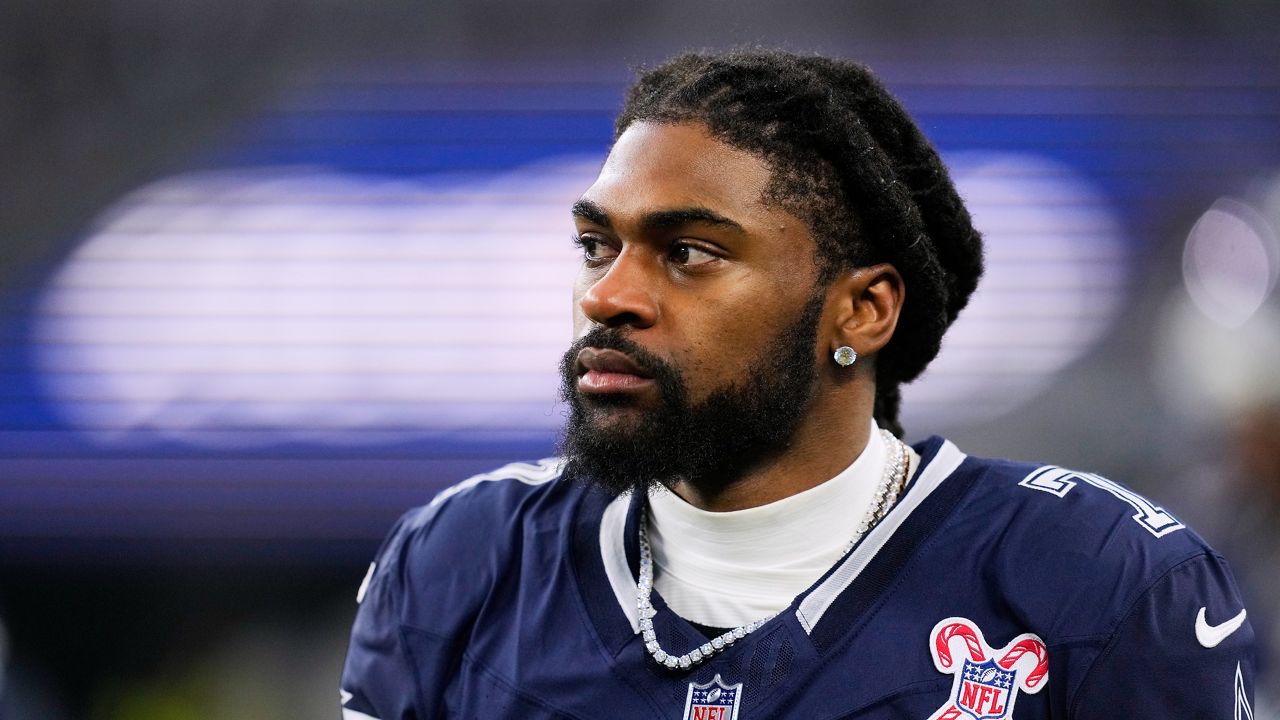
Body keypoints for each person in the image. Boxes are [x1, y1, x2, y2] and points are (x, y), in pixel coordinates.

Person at [340, 50, 1255, 719]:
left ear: (861, 312)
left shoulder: (1099, 583)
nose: (608, 295)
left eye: (689, 252)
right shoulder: (459, 564)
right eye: (596, 246)